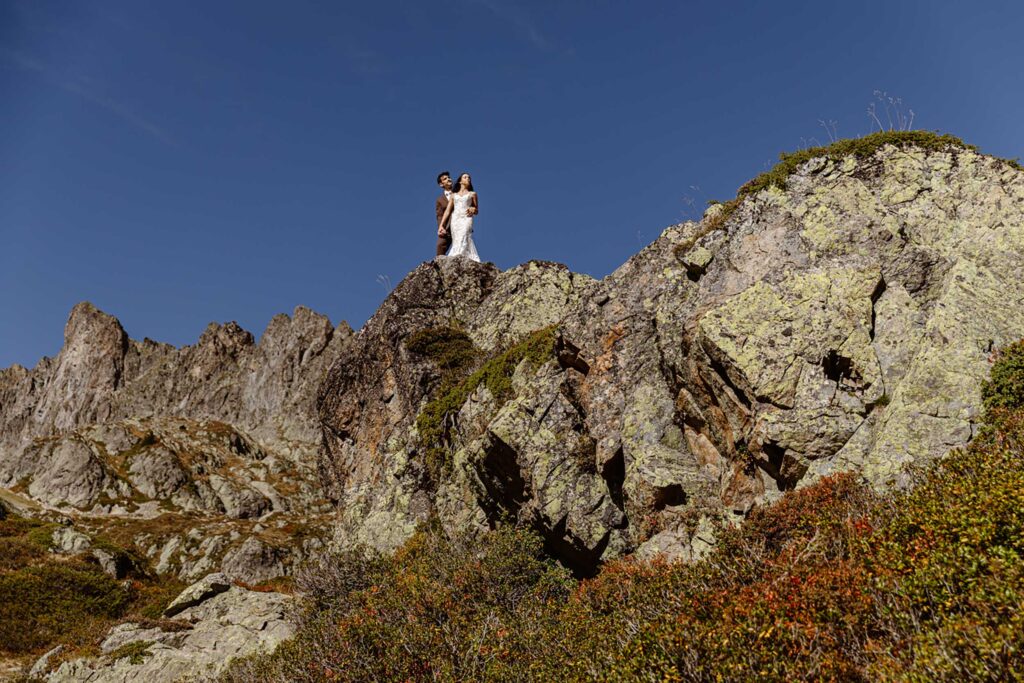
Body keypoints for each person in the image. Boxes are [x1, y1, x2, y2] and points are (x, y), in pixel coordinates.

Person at [439, 172, 480, 261]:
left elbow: (476, 210)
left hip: (466, 218)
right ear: (460, 181)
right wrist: (441, 225)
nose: (468, 178)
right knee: (457, 239)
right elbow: (447, 211)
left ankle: (458, 258)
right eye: (465, 177)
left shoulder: (473, 194)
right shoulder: (453, 195)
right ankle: (459, 259)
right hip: (455, 220)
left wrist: (473, 209)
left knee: (464, 236)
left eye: (469, 177)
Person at [435, 171, 454, 257]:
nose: (448, 179)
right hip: (447, 227)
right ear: (441, 184)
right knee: (440, 245)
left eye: (449, 177)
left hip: (460, 223)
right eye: (445, 179)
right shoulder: (439, 200)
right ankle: (439, 264)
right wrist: (441, 227)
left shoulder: (459, 192)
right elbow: (439, 215)